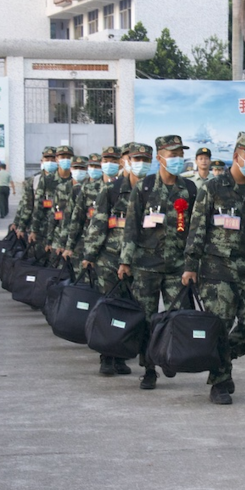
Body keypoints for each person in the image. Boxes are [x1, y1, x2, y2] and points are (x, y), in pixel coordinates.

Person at [182, 132, 245, 405]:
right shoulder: (213, 188)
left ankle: (222, 356)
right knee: (221, 322)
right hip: (215, 267)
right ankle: (219, 382)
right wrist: (191, 265)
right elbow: (197, 228)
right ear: (236, 156)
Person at [120, 135, 196, 390]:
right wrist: (125, 261)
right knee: (147, 318)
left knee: (179, 316)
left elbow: (196, 230)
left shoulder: (190, 189)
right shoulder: (144, 188)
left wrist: (193, 264)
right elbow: (131, 226)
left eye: (180, 154)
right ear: (161, 157)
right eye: (172, 154)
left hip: (178, 267)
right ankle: (149, 368)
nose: (177, 158)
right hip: (146, 265)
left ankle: (170, 357)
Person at [82, 143, 147, 377]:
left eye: (144, 158)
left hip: (141, 261)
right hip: (110, 258)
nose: (139, 162)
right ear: (124, 161)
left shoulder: (151, 190)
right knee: (110, 309)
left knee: (132, 311)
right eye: (134, 158)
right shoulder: (111, 191)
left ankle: (121, 355)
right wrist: (89, 255)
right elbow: (97, 225)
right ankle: (106, 357)